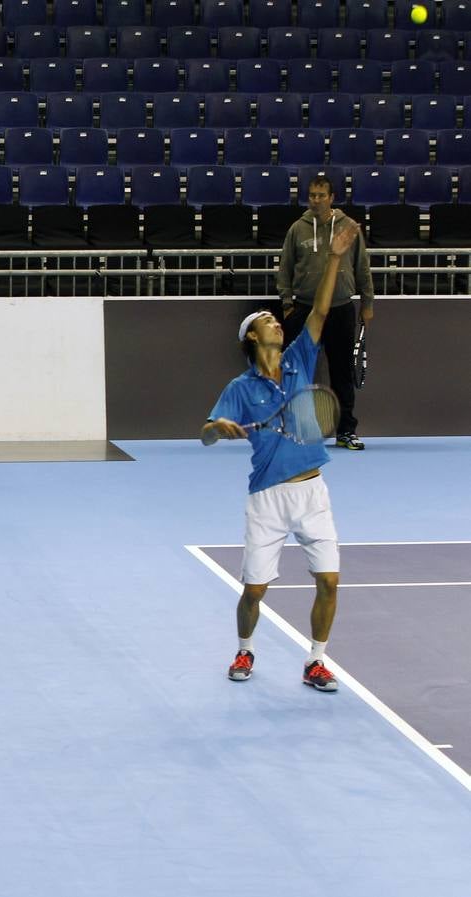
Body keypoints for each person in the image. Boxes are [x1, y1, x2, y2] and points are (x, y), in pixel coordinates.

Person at [202, 218, 363, 693]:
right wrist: (218, 428)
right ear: (252, 337)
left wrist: (334, 257)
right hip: (268, 498)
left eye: (275, 318)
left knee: (329, 582)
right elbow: (205, 434)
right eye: (266, 320)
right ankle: (245, 649)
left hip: (313, 491)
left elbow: (318, 311)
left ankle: (315, 661)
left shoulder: (298, 359)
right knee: (254, 589)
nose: (276, 320)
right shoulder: (239, 388)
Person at [275, 175, 375, 451]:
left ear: (332, 198)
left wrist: (367, 303)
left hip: (341, 308)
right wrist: (286, 303)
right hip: (304, 309)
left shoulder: (348, 229)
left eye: (321, 195)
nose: (316, 200)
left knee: (342, 373)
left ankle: (345, 432)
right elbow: (284, 268)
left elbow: (362, 267)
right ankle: (294, 430)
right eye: (312, 195)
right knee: (296, 373)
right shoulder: (298, 229)